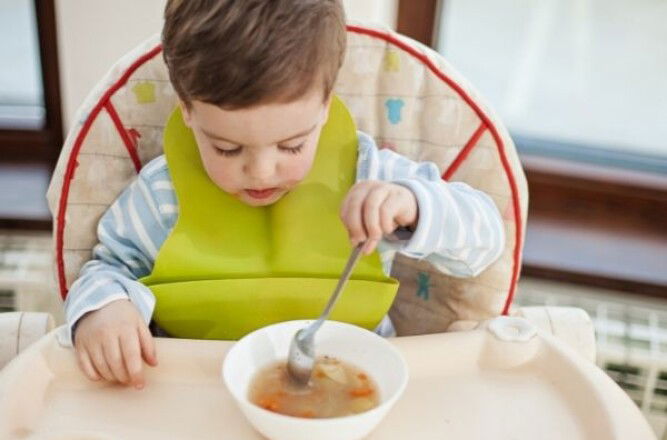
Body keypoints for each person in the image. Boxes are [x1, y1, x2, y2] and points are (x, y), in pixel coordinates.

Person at [62, 0, 505, 390]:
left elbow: (485, 241)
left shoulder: (370, 174)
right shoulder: (162, 195)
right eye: (227, 148)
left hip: (353, 387)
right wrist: (106, 307)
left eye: (291, 145)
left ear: (326, 104)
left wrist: (413, 206)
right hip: (197, 393)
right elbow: (107, 267)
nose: (261, 171)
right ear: (187, 109)